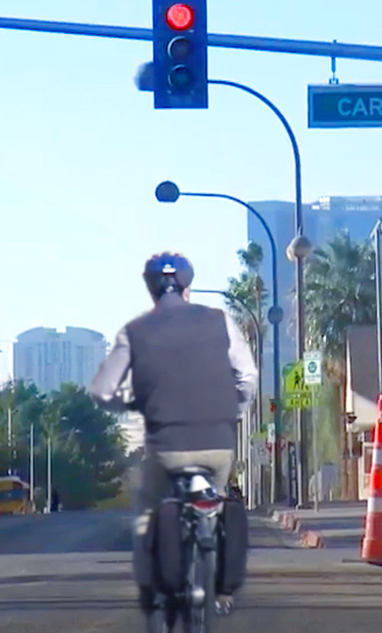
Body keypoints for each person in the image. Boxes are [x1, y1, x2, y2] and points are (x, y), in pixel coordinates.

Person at [91, 252, 258, 613]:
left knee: (151, 504)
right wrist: (235, 412)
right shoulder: (220, 321)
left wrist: (131, 403)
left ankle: (158, 582)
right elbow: (247, 376)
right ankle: (223, 588)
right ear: (188, 287)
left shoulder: (135, 331)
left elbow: (104, 389)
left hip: (167, 447)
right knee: (217, 497)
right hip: (217, 443)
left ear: (151, 289)